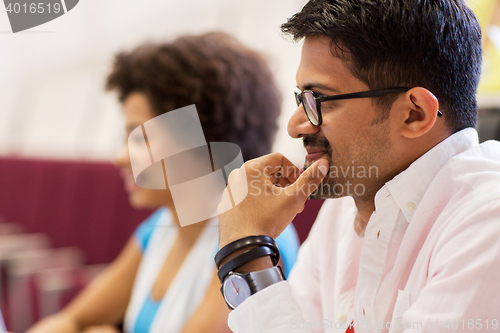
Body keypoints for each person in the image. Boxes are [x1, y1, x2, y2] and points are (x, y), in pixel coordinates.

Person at [215, 0, 500, 332]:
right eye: (301, 100)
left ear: (414, 113)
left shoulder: (488, 221)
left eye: (317, 100)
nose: (295, 126)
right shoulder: (346, 206)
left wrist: (248, 253)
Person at [27, 32, 300, 333]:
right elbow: (72, 320)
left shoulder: (257, 243)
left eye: (140, 138)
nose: (120, 157)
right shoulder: (160, 228)